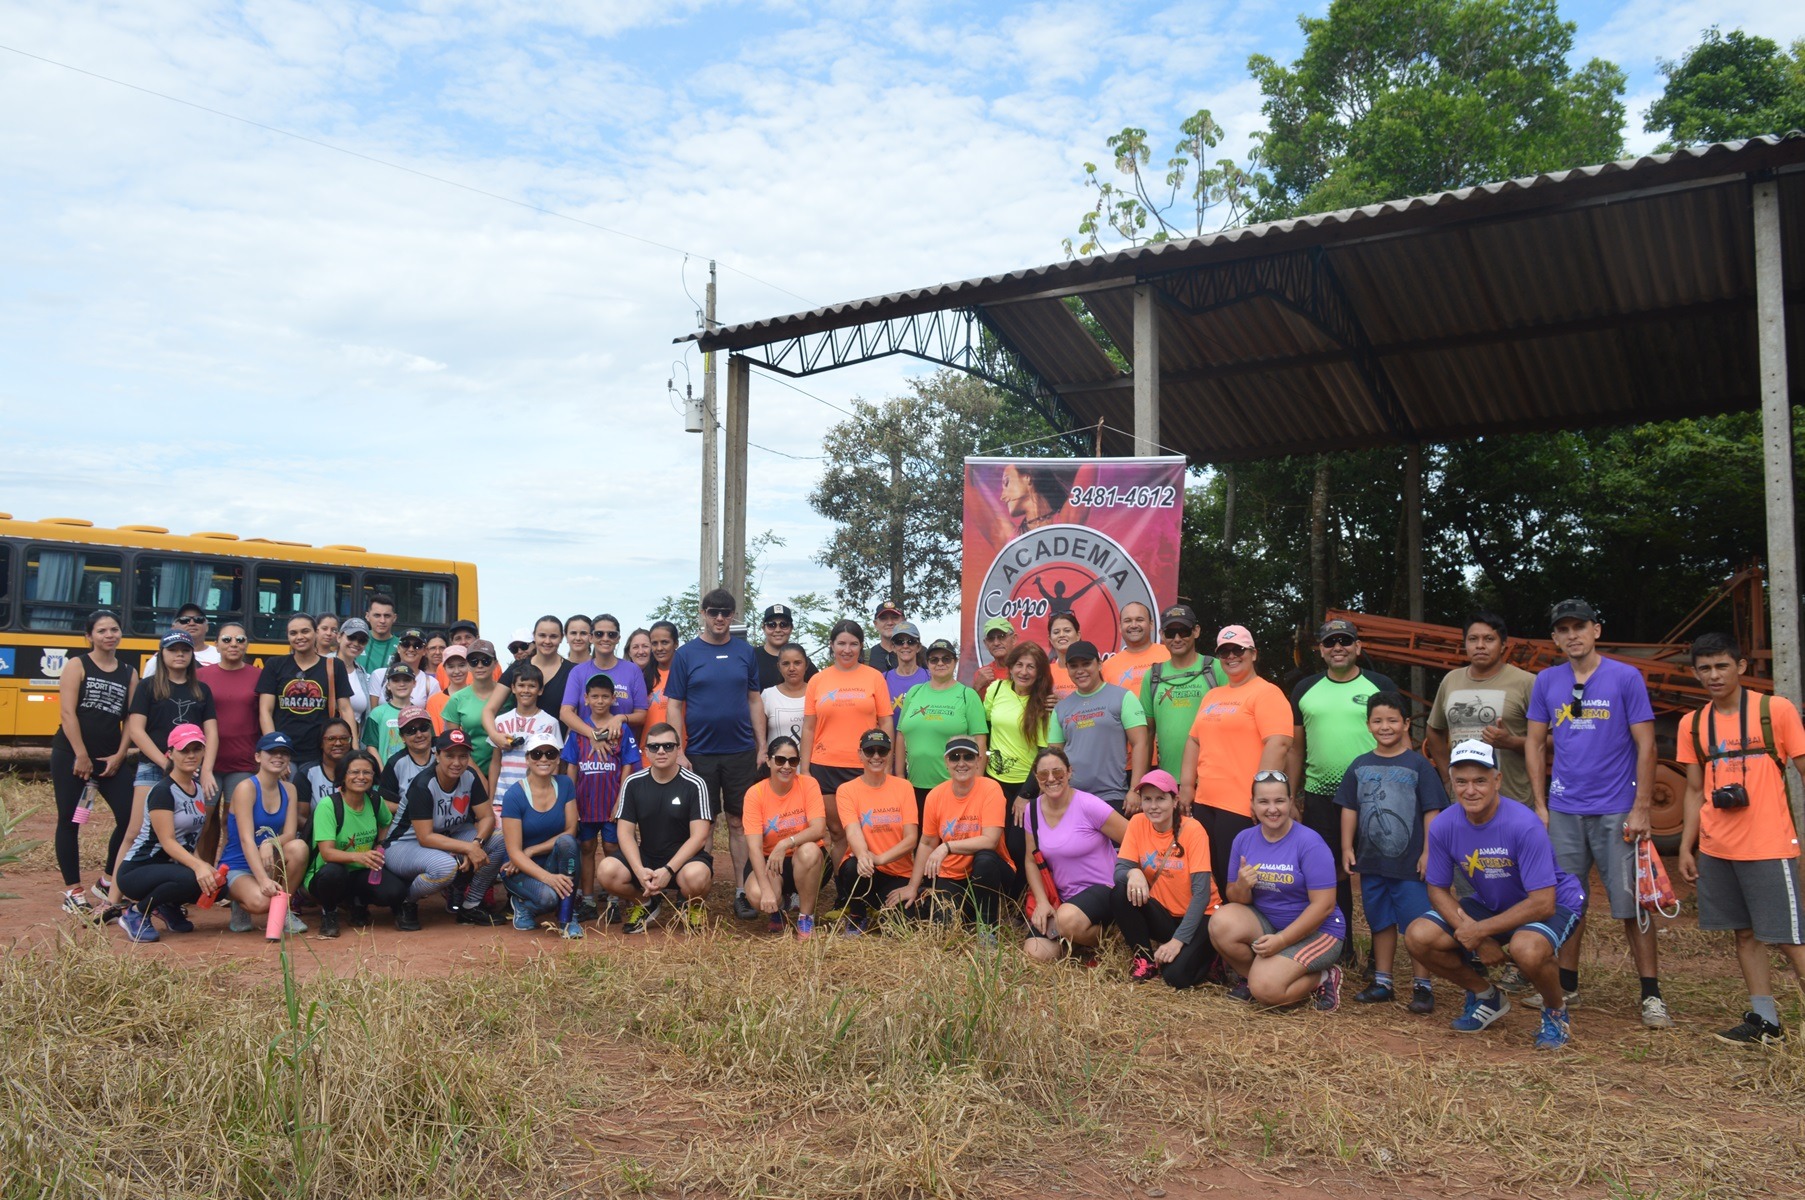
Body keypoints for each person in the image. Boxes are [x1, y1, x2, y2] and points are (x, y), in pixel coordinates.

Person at [1524, 598, 1667, 1027]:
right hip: (1565, 808)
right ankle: (1568, 984)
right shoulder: (1547, 681)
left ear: (1596, 630)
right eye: (1563, 629)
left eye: (1579, 627)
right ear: (1554, 638)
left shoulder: (1625, 677)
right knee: (1568, 901)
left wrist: (1641, 806)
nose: (1572, 635)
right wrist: (1540, 803)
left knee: (1631, 904)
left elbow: (1647, 744)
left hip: (1617, 808)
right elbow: (1533, 743)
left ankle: (1651, 994)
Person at [1406, 740, 1587, 1050]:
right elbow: (1436, 888)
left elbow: (1543, 903)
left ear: (1497, 780)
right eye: (1461, 781)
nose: (1470, 790)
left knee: (1526, 949)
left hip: (1555, 900)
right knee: (1418, 936)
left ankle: (1556, 1011)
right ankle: (1487, 996)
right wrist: (1474, 935)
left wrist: (1481, 931)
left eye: (1480, 781)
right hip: (1494, 903)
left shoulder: (1523, 824)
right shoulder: (1444, 825)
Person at [1675, 633, 1805, 1045]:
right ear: (1696, 673)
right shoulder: (1692, 724)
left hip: (1769, 845)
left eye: (1722, 666)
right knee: (1744, 934)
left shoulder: (1775, 711)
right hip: (1717, 847)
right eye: (1705, 668)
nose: (1714, 675)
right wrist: (1686, 846)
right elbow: (1694, 790)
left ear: (1741, 666)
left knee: (1790, 938)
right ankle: (1765, 1021)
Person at [1334, 692, 1447, 1010]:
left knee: (1416, 924)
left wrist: (1428, 852)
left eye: (1393, 720)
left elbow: (1432, 811)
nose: (1385, 726)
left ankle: (1422, 985)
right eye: (1378, 720)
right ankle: (1383, 981)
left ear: (1406, 723)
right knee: (1379, 921)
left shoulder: (1418, 765)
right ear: (1368, 724)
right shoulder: (1360, 765)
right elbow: (1349, 809)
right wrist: (1346, 846)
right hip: (1372, 861)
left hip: (1410, 864)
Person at [1289, 618, 1397, 939]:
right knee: (1329, 872)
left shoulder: (1381, 685)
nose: (1338, 647)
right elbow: (1296, 748)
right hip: (1320, 796)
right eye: (1330, 642)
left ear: (1358, 648)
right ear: (1320, 650)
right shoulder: (1304, 689)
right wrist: (1293, 795)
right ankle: (1340, 942)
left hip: (1374, 795)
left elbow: (1398, 739)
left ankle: (1379, 957)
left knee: (1376, 875)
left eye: (1345, 641)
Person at [668, 589, 767, 920]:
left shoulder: (744, 652)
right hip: (700, 754)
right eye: (714, 612)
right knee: (704, 825)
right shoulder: (686, 654)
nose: (721, 618)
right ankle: (697, 898)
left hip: (741, 751)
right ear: (703, 613)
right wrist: (678, 749)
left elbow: (754, 700)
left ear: (734, 615)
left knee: (739, 823)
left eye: (727, 613)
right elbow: (674, 705)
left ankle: (742, 891)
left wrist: (762, 745)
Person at [1209, 772, 1346, 1010]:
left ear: (1291, 802)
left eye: (1279, 801)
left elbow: (1323, 906)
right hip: (1269, 923)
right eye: (1264, 802)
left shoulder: (1310, 842)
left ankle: (1324, 977)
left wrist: (1282, 940)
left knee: (1267, 991)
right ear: (1252, 804)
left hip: (1318, 931)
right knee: (1220, 923)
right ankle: (1255, 978)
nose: (1272, 809)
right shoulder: (1243, 839)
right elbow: (1235, 898)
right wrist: (1242, 885)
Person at [1179, 625, 1293, 890]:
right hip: (1205, 802)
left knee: (1239, 879)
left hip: (1241, 805)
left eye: (1238, 649)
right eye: (1224, 651)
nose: (1231, 656)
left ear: (1253, 653)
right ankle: (1216, 928)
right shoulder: (1213, 695)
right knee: (1212, 876)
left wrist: (1262, 797)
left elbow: (1278, 743)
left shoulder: (1267, 693)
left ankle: (1245, 929)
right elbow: (1194, 739)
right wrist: (1186, 786)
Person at [50, 609, 138, 916]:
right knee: (70, 821)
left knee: (131, 817)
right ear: (89, 636)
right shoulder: (77, 665)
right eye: (102, 631)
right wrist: (81, 754)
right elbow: (67, 713)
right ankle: (73, 891)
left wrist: (121, 754)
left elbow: (130, 719)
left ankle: (107, 880)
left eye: (114, 629)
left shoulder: (129, 671)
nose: (110, 635)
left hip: (110, 760)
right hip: (71, 757)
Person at [122, 631, 220, 895]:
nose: (179, 655)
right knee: (134, 832)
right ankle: (113, 897)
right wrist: (165, 762)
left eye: (185, 651)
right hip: (153, 767)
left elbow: (211, 731)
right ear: (161, 654)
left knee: (189, 835)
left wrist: (207, 769)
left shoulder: (201, 689)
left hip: (190, 770)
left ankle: (177, 894)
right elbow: (136, 730)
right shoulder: (148, 686)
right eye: (173, 650)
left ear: (192, 655)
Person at [890, 736, 1017, 934]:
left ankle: (987, 929)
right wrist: (913, 886)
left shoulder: (990, 789)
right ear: (946, 762)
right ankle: (966, 912)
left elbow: (990, 840)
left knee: (984, 859)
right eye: (955, 757)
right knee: (943, 926)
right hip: (952, 873)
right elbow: (927, 843)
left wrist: (947, 846)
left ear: (978, 761)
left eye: (968, 756)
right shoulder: (936, 796)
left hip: (990, 870)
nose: (961, 763)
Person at [383, 727, 506, 931]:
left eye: (463, 756)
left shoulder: (470, 776)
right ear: (437, 755)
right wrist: (468, 849)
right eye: (449, 755)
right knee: (445, 867)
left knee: (500, 839)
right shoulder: (423, 784)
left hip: (448, 836)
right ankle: (407, 901)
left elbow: (486, 817)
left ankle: (471, 905)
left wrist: (477, 843)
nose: (456, 763)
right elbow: (425, 837)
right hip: (403, 844)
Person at [598, 723, 715, 933]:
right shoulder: (633, 783)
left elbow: (699, 837)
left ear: (679, 749)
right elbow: (624, 833)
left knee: (697, 876)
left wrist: (669, 870)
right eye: (654, 747)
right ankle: (647, 903)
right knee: (607, 871)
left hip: (685, 860)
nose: (661, 751)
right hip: (647, 857)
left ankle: (693, 905)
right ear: (646, 751)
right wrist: (638, 870)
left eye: (668, 746)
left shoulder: (695, 784)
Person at [115, 723, 221, 942]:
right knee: (193, 878)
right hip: (139, 869)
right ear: (170, 754)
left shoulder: (197, 788)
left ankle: (168, 906)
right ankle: (135, 913)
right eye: (184, 750)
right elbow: (168, 842)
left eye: (196, 749)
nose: (191, 755)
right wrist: (199, 866)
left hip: (169, 869)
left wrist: (206, 867)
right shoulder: (163, 791)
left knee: (217, 885)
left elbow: (189, 841)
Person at [1021, 747, 1128, 963]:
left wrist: (1133, 875)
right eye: (1043, 774)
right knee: (1036, 952)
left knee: (1066, 919)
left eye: (1058, 772)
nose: (1051, 779)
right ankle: (1079, 939)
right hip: (1064, 898)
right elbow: (1031, 860)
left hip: (1104, 889)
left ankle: (1111, 937)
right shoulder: (1031, 811)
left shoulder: (1089, 805)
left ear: (1069, 772)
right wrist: (1042, 902)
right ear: (1036, 778)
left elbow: (1134, 838)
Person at [1114, 769, 1219, 987]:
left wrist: (1177, 942)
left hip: (1201, 916)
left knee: (1175, 977)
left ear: (1174, 800)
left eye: (1161, 798)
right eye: (1147, 799)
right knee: (1119, 892)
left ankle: (1213, 957)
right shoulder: (1137, 823)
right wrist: (1133, 872)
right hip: (1165, 914)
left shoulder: (1193, 830)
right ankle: (1144, 959)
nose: (1153, 806)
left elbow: (1201, 894)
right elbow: (1120, 870)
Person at [800, 619, 892, 868]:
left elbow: (886, 723)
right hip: (824, 766)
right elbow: (808, 726)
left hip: (864, 765)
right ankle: (842, 893)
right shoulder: (818, 680)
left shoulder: (874, 678)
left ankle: (864, 894)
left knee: (866, 832)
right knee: (838, 832)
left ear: (862, 647)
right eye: (841, 643)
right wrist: (805, 769)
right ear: (832, 645)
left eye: (853, 644)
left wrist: (888, 765)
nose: (847, 649)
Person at [1426, 612, 1536, 803]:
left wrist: (1510, 741)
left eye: (1489, 639)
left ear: (1503, 645)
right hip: (1463, 800)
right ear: (1465, 644)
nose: (1480, 645)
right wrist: (1447, 777)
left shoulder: (1526, 682)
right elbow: (1434, 730)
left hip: (1512, 799)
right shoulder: (1451, 680)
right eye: (1473, 639)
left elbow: (1552, 740)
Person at [562, 673, 641, 922]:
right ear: (585, 699)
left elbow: (628, 764)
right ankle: (587, 899)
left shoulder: (621, 729)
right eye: (594, 696)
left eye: (605, 696)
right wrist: (571, 802)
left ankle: (613, 899)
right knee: (586, 847)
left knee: (611, 847)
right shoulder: (579, 730)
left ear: (613, 698)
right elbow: (572, 766)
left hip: (610, 802)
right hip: (585, 802)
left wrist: (621, 800)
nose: (599, 701)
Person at [307, 748, 406, 938]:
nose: (361, 777)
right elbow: (327, 853)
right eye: (354, 772)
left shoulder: (375, 800)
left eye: (367, 772)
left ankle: (357, 903)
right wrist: (360, 856)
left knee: (395, 892)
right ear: (343, 775)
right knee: (333, 873)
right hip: (327, 873)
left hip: (361, 871)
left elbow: (386, 822)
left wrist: (380, 843)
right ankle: (329, 913)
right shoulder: (328, 806)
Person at [219, 731, 310, 935]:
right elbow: (246, 839)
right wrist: (263, 880)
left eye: (284, 753)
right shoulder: (246, 788)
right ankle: (240, 902)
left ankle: (283, 910)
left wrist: (269, 842)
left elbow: (289, 832)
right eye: (272, 752)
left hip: (269, 860)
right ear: (258, 756)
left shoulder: (289, 789)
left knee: (299, 848)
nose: (278, 757)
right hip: (238, 865)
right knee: (261, 903)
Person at [741, 734, 829, 938]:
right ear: (769, 761)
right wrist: (767, 890)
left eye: (793, 761)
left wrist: (785, 843)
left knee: (809, 849)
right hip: (769, 862)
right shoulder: (755, 794)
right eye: (780, 760)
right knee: (756, 894)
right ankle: (780, 908)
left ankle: (806, 919)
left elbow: (818, 829)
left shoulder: (808, 784)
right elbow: (754, 848)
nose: (786, 766)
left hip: (803, 859)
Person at [834, 730, 921, 931]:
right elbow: (853, 831)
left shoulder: (904, 787)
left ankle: (879, 908)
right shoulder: (847, 790)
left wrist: (880, 859)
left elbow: (911, 839)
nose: (875, 757)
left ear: (890, 754)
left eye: (882, 751)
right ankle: (857, 914)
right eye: (869, 751)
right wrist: (864, 856)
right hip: (866, 868)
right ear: (860, 754)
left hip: (898, 871)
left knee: (900, 926)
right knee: (852, 866)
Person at [1048, 640, 1149, 813]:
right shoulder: (1061, 708)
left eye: (1086, 664)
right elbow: (1053, 756)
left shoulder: (1123, 697)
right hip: (1072, 796)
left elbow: (1141, 743)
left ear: (1100, 664)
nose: (1080, 671)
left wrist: (1135, 790)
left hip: (1112, 795)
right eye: (1073, 666)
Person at [499, 730, 583, 939]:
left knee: (568, 842)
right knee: (548, 898)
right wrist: (549, 879)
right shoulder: (514, 795)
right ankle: (523, 905)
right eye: (537, 754)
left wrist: (532, 849)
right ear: (527, 759)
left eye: (550, 754)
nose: (544, 759)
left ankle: (567, 916)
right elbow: (514, 853)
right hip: (518, 869)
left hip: (548, 861)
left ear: (557, 759)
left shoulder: (565, 784)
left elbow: (571, 830)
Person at [258, 614, 357, 782]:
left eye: (305, 631)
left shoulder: (334, 666)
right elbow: (265, 710)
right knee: (289, 803)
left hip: (321, 751)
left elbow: (346, 709)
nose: (299, 637)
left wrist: (353, 750)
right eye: (293, 633)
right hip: (286, 750)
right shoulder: (275, 665)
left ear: (316, 633)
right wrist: (276, 750)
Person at [892, 639, 988, 805]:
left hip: (954, 787)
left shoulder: (967, 695)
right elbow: (901, 734)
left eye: (946, 658)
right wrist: (900, 776)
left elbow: (980, 742)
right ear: (927, 663)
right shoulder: (914, 692)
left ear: (955, 662)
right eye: (934, 659)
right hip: (913, 786)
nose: (940, 663)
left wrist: (976, 784)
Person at [1139, 604, 1225, 773]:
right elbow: (1147, 733)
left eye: (1184, 631)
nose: (1177, 638)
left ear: (1196, 631)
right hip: (1167, 782)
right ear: (1162, 635)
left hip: (1211, 778)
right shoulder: (1153, 676)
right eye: (1170, 633)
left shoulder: (1216, 669)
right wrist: (1141, 781)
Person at [483, 663, 562, 809]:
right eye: (521, 685)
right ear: (513, 688)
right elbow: (495, 763)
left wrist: (552, 799)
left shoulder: (550, 723)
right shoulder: (500, 721)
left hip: (536, 800)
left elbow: (555, 765)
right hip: (502, 798)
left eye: (532, 686)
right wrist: (490, 799)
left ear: (540, 690)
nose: (526, 690)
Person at [560, 613, 649, 741]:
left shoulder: (633, 670)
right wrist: (595, 735)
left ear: (618, 638)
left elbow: (641, 715)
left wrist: (621, 718)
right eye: (599, 634)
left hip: (622, 751)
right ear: (591, 637)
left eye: (611, 634)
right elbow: (565, 713)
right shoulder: (578, 672)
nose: (605, 638)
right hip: (587, 748)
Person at [436, 639, 504, 780]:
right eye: (474, 661)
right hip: (469, 772)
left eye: (485, 661)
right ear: (468, 665)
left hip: (506, 770)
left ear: (495, 664)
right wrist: (479, 777)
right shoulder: (457, 700)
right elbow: (453, 745)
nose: (479, 665)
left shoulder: (507, 694)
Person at [498, 615, 576, 729]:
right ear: (534, 636)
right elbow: (489, 710)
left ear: (561, 638)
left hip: (558, 744)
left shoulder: (573, 671)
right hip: (519, 744)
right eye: (542, 635)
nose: (547, 641)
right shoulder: (517, 667)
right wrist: (495, 736)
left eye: (553, 636)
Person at [1102, 603, 1168, 695]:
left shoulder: (1170, 654)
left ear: (1151, 624)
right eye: (1128, 621)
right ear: (1120, 627)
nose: (1133, 625)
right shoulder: (1107, 667)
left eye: (1139, 620)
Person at [362, 661, 420, 766]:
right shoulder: (377, 713)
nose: (401, 684)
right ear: (388, 685)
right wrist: (382, 772)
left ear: (414, 683)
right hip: (385, 774)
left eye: (406, 680)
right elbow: (371, 746)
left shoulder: (421, 714)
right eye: (396, 680)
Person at [142, 603, 221, 675]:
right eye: (184, 620)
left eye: (198, 619)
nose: (192, 623)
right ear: (173, 628)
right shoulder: (159, 658)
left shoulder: (220, 655)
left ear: (207, 627)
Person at [371, 628, 441, 708]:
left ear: (424, 651)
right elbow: (373, 714)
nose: (411, 649)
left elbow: (431, 717)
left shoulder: (431, 684)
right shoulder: (379, 675)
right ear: (398, 648)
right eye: (405, 644)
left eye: (417, 646)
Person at [378, 706, 437, 802]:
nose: (419, 735)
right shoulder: (395, 763)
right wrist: (412, 810)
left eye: (424, 728)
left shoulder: (444, 749)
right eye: (411, 731)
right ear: (402, 737)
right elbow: (384, 802)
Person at [761, 644, 811, 752]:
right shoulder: (768, 695)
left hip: (811, 766)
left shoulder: (817, 693)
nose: (791, 668)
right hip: (778, 766)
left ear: (806, 665)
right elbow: (758, 736)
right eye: (786, 664)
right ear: (779, 667)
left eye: (797, 663)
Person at [755, 604, 817, 691]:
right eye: (771, 625)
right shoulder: (751, 657)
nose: (777, 630)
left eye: (784, 625)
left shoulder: (802, 662)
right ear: (763, 628)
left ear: (791, 628)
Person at [999, 462, 1071, 533]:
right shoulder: (1015, 536)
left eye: (1006, 482)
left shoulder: (1068, 518)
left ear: (1027, 478)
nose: (1002, 497)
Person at [881, 622, 928, 717]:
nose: (905, 646)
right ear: (893, 647)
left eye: (911, 641)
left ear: (918, 647)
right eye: (899, 642)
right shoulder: (882, 679)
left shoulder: (931, 677)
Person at [427, 642, 471, 731]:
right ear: (444, 668)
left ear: (469, 666)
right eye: (451, 667)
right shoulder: (434, 701)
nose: (457, 671)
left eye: (461, 665)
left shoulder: (477, 696)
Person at [644, 621, 678, 733]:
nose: (659, 648)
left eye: (664, 642)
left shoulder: (685, 674)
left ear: (676, 643)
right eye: (654, 643)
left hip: (679, 746)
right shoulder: (644, 676)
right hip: (649, 747)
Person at [971, 617, 1016, 699]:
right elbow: (972, 709)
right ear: (985, 643)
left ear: (1014, 639)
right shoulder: (981, 675)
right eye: (991, 638)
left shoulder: (1024, 670)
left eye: (1002, 636)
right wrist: (976, 687)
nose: (996, 643)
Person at [356, 592, 399, 674]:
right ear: (367, 616)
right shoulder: (355, 640)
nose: (382, 621)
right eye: (377, 615)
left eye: (387, 616)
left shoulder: (403, 646)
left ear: (394, 618)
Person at [1046, 612, 1081, 698]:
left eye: (1067, 631)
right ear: (1050, 638)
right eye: (1056, 632)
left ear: (1078, 635)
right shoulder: (1045, 672)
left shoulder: (1091, 670)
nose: (1061, 635)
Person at [867, 601, 905, 674]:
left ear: (904, 621)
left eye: (895, 618)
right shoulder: (865, 657)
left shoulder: (920, 654)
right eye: (883, 618)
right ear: (875, 624)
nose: (890, 623)